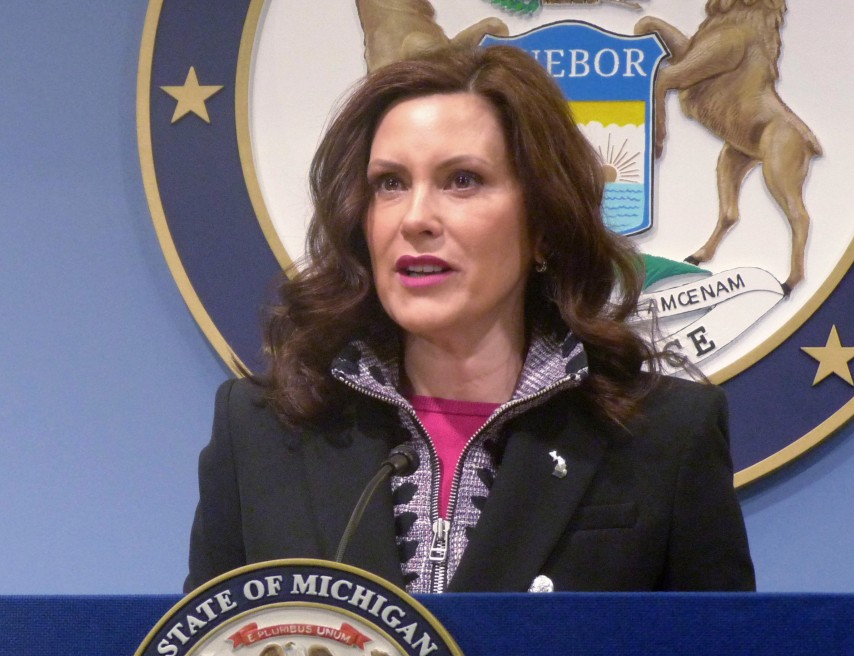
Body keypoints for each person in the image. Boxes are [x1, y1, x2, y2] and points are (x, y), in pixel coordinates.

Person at [185, 45, 754, 594]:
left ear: (542, 225)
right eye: (390, 183)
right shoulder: (260, 431)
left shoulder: (666, 436)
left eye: (463, 180)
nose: (415, 219)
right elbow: (202, 655)